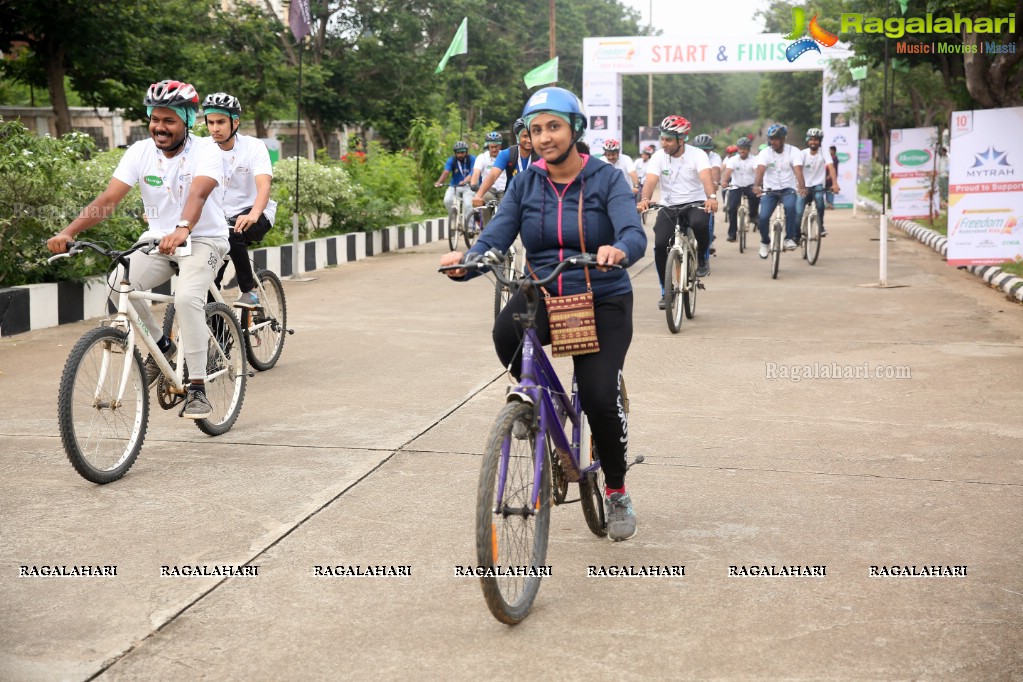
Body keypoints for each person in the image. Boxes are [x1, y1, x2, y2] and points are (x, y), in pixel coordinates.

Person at [440, 87, 647, 541]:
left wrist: (619, 248)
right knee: (503, 334)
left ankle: (616, 489)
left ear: (575, 129)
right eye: (536, 130)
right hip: (544, 293)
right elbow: (498, 231)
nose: (545, 137)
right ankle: (543, 407)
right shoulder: (525, 181)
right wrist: (471, 262)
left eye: (554, 126)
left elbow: (633, 230)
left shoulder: (608, 179)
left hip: (602, 297)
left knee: (597, 397)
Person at [46, 79, 230, 419]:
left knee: (189, 298)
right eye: (155, 119)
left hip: (204, 238)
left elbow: (198, 195)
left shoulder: (206, 151)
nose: (159, 127)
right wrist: (68, 231)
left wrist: (183, 227)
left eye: (169, 120)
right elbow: (109, 200)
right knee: (118, 282)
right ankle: (162, 346)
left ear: (188, 121)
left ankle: (198, 388)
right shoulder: (140, 153)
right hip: (159, 240)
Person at [202, 92, 276, 308]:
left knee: (232, 231)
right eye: (211, 122)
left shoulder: (254, 146)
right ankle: (223, 338)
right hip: (219, 221)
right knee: (209, 283)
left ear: (235, 122)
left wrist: (253, 214)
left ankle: (249, 290)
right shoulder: (203, 149)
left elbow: (264, 185)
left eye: (221, 122)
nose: (215, 128)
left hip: (256, 214)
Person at [638, 114, 718, 302]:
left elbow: (706, 178)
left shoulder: (697, 155)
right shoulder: (658, 156)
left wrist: (711, 197)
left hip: (695, 203)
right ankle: (666, 292)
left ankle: (702, 256)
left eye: (668, 140)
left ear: (681, 140)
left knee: (700, 224)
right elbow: (650, 181)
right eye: (662, 139)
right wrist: (645, 199)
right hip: (668, 205)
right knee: (659, 246)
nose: (663, 143)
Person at [752, 124, 807, 258]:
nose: (773, 142)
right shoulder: (765, 152)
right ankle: (765, 242)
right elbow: (760, 170)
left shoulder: (794, 151)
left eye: (776, 139)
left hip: (788, 189)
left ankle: (789, 238)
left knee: (790, 208)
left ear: (783, 139)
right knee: (763, 217)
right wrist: (757, 185)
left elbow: (798, 170)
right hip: (770, 190)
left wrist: (802, 187)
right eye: (771, 139)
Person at [472, 118, 537, 208]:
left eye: (532, 136)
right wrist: (479, 195)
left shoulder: (541, 155)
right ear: (518, 137)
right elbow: (493, 175)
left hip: (533, 198)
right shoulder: (507, 154)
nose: (529, 140)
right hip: (512, 198)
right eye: (525, 136)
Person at [796, 129, 839, 238]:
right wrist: (799, 185)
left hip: (818, 185)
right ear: (807, 141)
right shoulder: (802, 154)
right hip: (804, 187)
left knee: (820, 201)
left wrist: (835, 184)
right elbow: (798, 170)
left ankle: (821, 226)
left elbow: (831, 168)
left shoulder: (824, 152)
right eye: (811, 139)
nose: (813, 142)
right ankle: (795, 234)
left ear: (820, 141)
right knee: (799, 211)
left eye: (815, 140)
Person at [721, 137, 760, 243]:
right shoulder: (733, 160)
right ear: (738, 149)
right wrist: (724, 182)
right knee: (731, 208)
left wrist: (759, 184)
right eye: (740, 148)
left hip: (749, 185)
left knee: (755, 196)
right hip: (736, 186)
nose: (742, 151)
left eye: (745, 149)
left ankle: (753, 216)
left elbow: (757, 172)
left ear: (748, 149)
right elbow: (728, 172)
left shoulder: (754, 159)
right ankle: (732, 234)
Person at [465, 131, 505, 227]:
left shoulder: (506, 155)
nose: (494, 149)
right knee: (486, 200)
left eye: (496, 147)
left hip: (504, 189)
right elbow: (476, 173)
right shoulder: (482, 157)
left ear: (500, 146)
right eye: (492, 147)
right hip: (489, 189)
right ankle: (486, 230)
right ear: (488, 146)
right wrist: (474, 185)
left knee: (506, 208)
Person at [434, 141, 476, 231]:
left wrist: (465, 181)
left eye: (462, 152)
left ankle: (470, 227)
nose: (460, 155)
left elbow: (473, 173)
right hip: (454, 186)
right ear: (455, 153)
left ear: (466, 152)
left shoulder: (472, 159)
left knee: (468, 205)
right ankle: (454, 219)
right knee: (447, 200)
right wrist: (439, 182)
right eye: (458, 153)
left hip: (468, 186)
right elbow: (446, 172)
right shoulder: (452, 160)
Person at [691, 133, 721, 257]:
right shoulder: (689, 155)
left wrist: (714, 183)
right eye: (701, 149)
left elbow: (715, 170)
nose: (703, 152)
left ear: (710, 149)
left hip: (706, 189)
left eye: (706, 149)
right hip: (691, 188)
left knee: (709, 213)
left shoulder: (714, 157)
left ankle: (708, 241)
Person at [825, 144, 840, 209]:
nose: (829, 151)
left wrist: (829, 176)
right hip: (825, 177)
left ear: (834, 151)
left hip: (830, 177)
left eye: (830, 150)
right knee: (826, 190)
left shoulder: (834, 158)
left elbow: (833, 168)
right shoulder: (829, 158)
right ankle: (828, 204)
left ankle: (830, 204)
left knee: (830, 190)